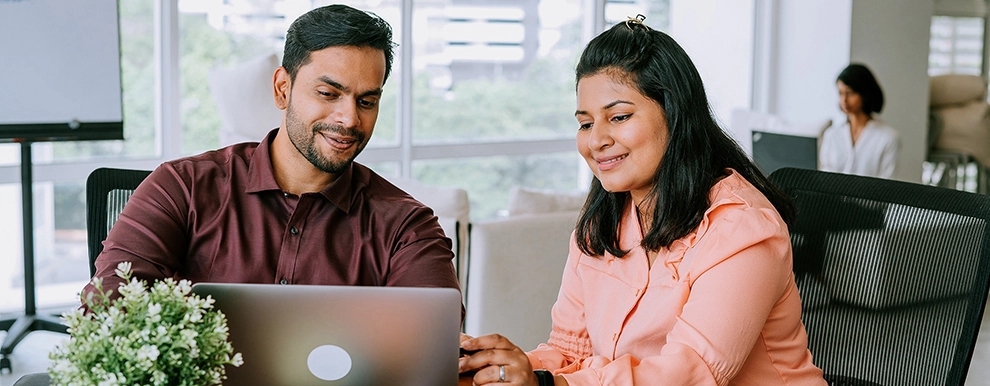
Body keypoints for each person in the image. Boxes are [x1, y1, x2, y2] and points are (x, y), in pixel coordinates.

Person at [458, 16, 826, 385]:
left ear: (675, 114)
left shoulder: (741, 230)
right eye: (585, 123)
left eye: (618, 117)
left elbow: (690, 373)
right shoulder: (601, 223)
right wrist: (499, 369)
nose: (596, 140)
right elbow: (572, 353)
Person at [82, 4, 460, 307]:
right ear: (283, 89)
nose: (349, 118)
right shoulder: (181, 187)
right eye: (328, 93)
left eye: (367, 101)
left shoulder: (408, 227)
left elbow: (434, 353)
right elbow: (106, 310)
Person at [819, 63, 900, 179]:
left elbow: (886, 183)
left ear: (864, 93)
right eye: (840, 93)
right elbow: (824, 178)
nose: (844, 100)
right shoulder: (832, 135)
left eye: (850, 93)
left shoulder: (888, 138)